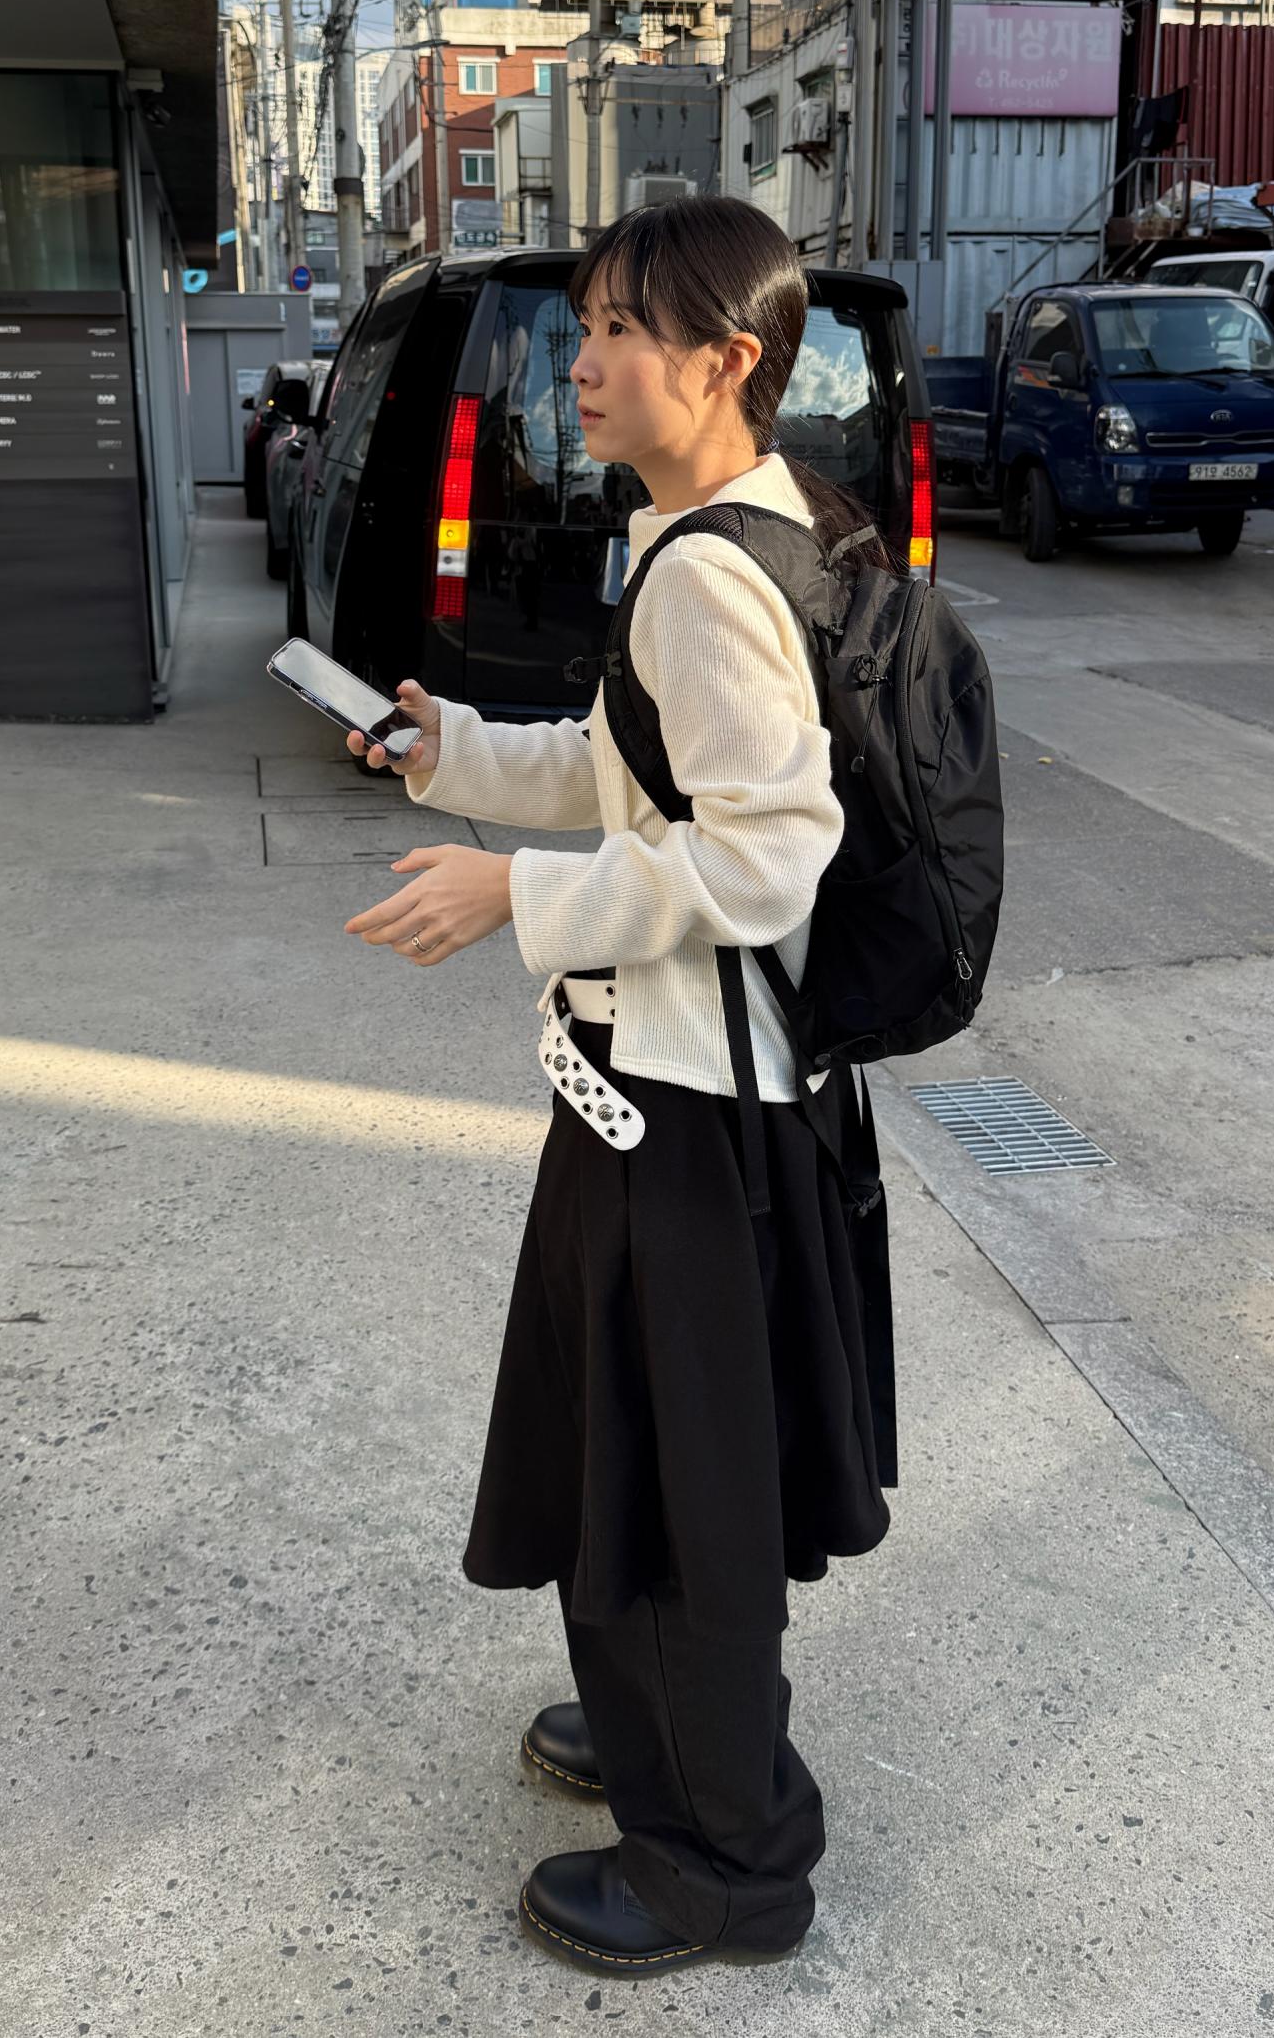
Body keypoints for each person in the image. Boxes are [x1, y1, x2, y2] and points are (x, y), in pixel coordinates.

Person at [342, 195, 894, 1978]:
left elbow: (769, 853)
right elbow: (627, 768)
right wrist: (449, 753)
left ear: (727, 359)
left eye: (623, 332)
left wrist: (519, 896)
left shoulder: (707, 573)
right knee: (665, 1467)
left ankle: (725, 1863)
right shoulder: (743, 525)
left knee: (668, 1494)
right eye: (583, 327)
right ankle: (675, 1733)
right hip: (697, 1098)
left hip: (688, 1119)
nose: (582, 362)